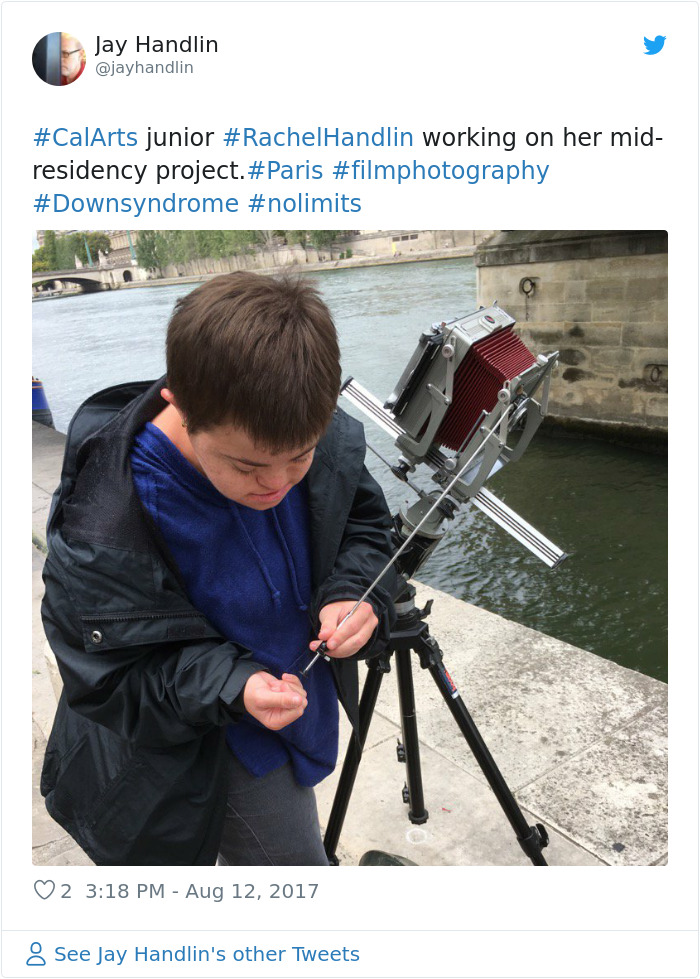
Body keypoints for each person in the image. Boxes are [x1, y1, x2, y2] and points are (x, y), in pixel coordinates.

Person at [40, 272, 397, 866]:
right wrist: (233, 684)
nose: (280, 484)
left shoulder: (295, 415)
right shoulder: (103, 523)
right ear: (179, 401)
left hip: (294, 707)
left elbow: (363, 523)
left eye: (300, 457)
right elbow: (104, 676)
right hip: (211, 746)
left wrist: (355, 591)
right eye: (248, 466)